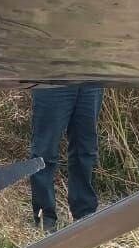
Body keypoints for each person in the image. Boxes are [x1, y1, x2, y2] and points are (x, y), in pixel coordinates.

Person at [29, 83, 103, 232]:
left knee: (85, 151)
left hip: (90, 79)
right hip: (52, 79)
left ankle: (85, 216)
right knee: (45, 153)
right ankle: (46, 221)